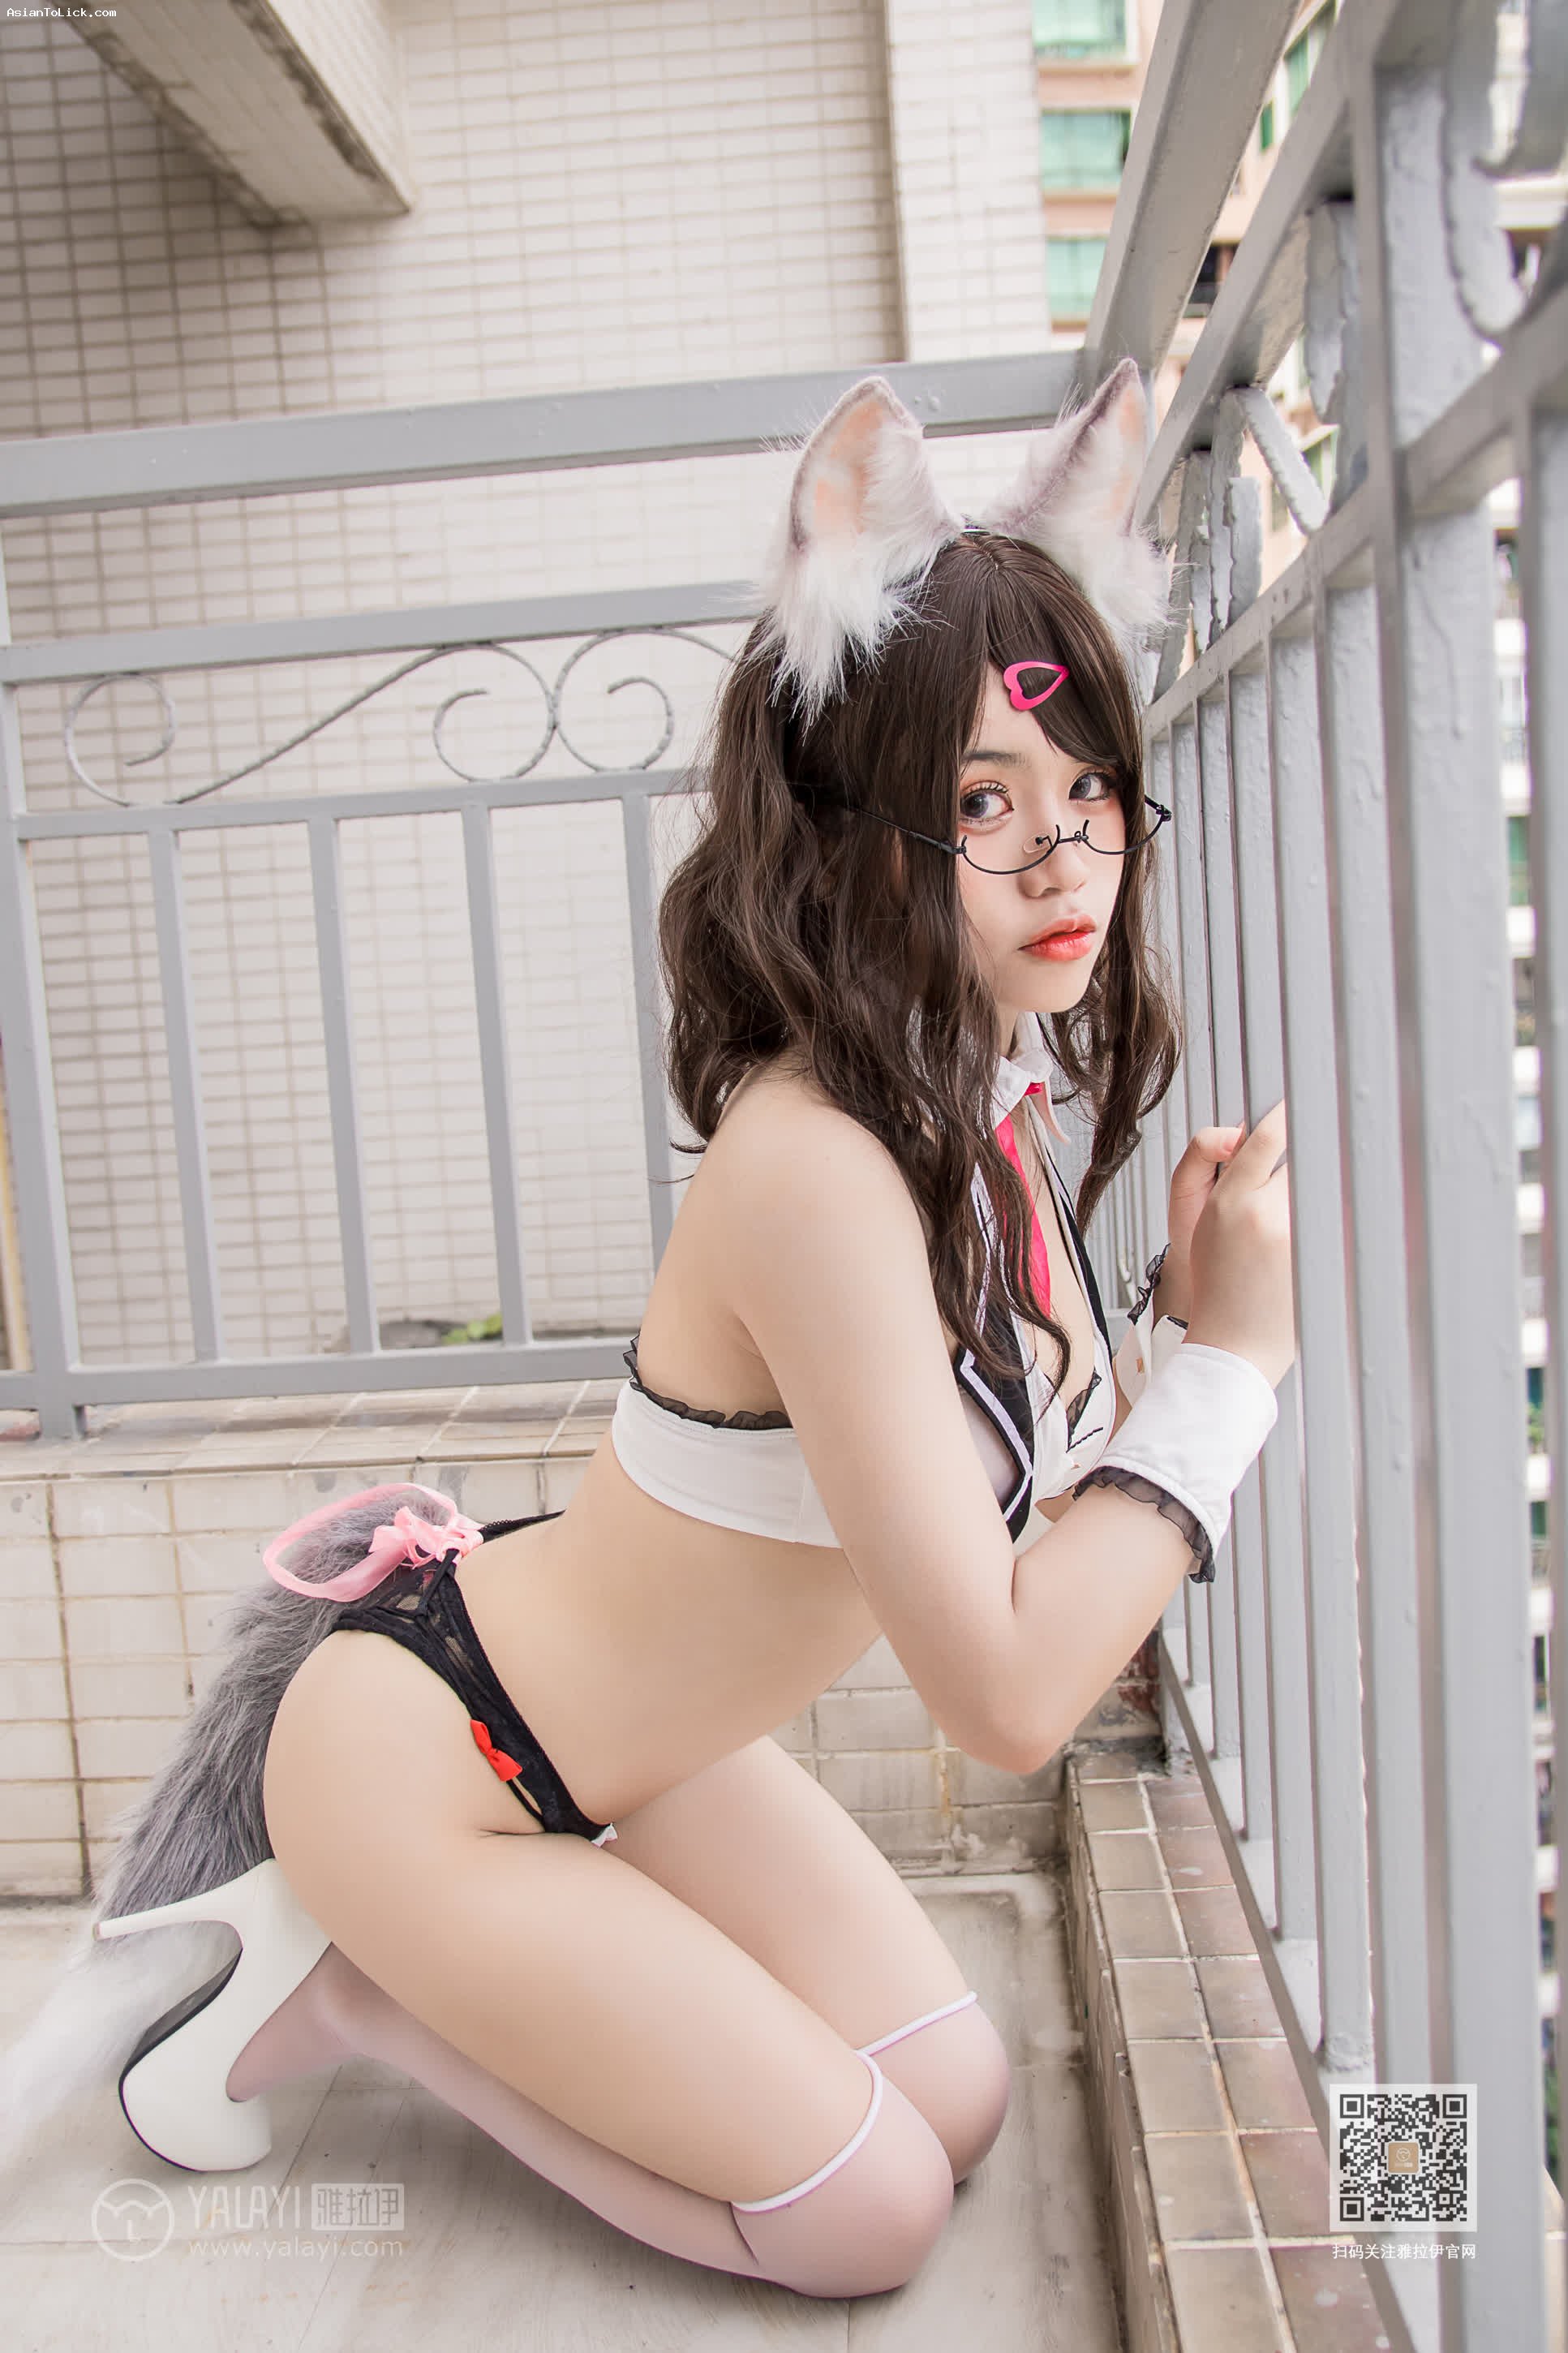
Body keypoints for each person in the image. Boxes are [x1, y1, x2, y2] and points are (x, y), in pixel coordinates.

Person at [0, 362, 1294, 2302]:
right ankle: (351, 1991)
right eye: (981, 802)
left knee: (957, 2101)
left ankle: (533, 1949)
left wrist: (1176, 1319)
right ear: (852, 823)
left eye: (1089, 790)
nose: (1064, 860)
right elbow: (1010, 1692)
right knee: (867, 2214)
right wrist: (1234, 1372)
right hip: (427, 1763)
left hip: (637, 1752)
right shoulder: (817, 1164)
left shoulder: (978, 1114)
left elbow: (1036, 1499)